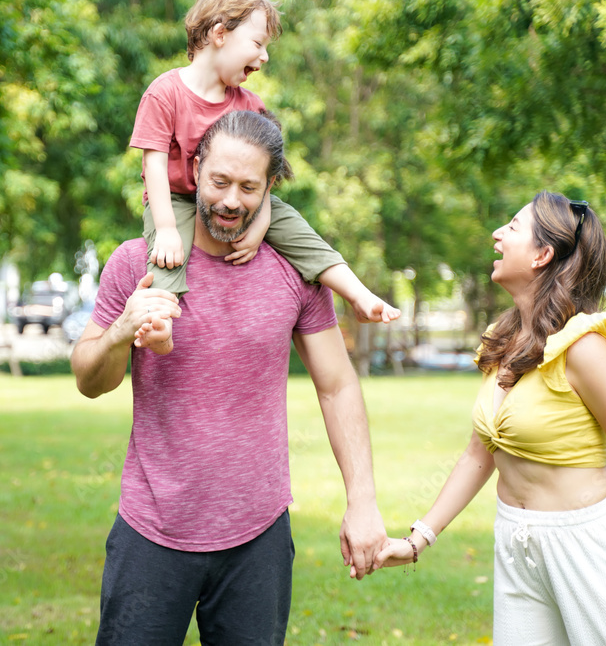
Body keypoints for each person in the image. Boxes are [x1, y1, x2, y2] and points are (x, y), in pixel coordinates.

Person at [72, 110, 387, 645]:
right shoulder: (135, 262)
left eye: (248, 186)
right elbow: (89, 378)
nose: (230, 201)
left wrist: (363, 500)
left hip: (258, 539)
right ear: (194, 170)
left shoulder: (295, 272)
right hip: (152, 530)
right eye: (219, 182)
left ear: (271, 188)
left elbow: (337, 385)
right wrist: (121, 330)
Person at [374, 191, 606, 645]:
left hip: (589, 543)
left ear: (542, 254)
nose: (496, 233)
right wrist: (418, 540)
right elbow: (480, 452)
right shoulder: (504, 337)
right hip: (516, 542)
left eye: (512, 226)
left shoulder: (583, 347)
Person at [131, 0, 398, 353]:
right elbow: (154, 166)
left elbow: (265, 179)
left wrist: (262, 223)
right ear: (220, 33)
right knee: (166, 259)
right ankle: (159, 327)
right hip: (175, 200)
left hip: (243, 201)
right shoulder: (165, 92)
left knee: (300, 231)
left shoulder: (249, 104)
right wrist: (166, 229)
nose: (264, 57)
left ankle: (358, 295)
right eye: (257, 44)